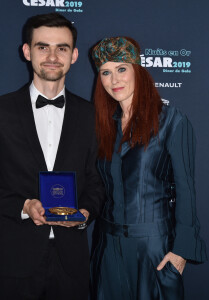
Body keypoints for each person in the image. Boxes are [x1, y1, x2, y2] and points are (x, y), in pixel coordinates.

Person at [90, 37, 207, 300]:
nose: (114, 80)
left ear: (138, 71)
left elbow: (187, 189)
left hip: (154, 248)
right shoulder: (103, 127)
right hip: (108, 246)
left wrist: (182, 250)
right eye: (105, 73)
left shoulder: (172, 122)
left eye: (121, 69)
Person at [0, 13, 105, 300]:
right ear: (26, 51)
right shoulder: (2, 112)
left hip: (71, 264)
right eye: (42, 46)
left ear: (73, 56)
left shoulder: (91, 116)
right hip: (12, 262)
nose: (52, 56)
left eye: (62, 48)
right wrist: (24, 205)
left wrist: (85, 213)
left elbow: (97, 182)